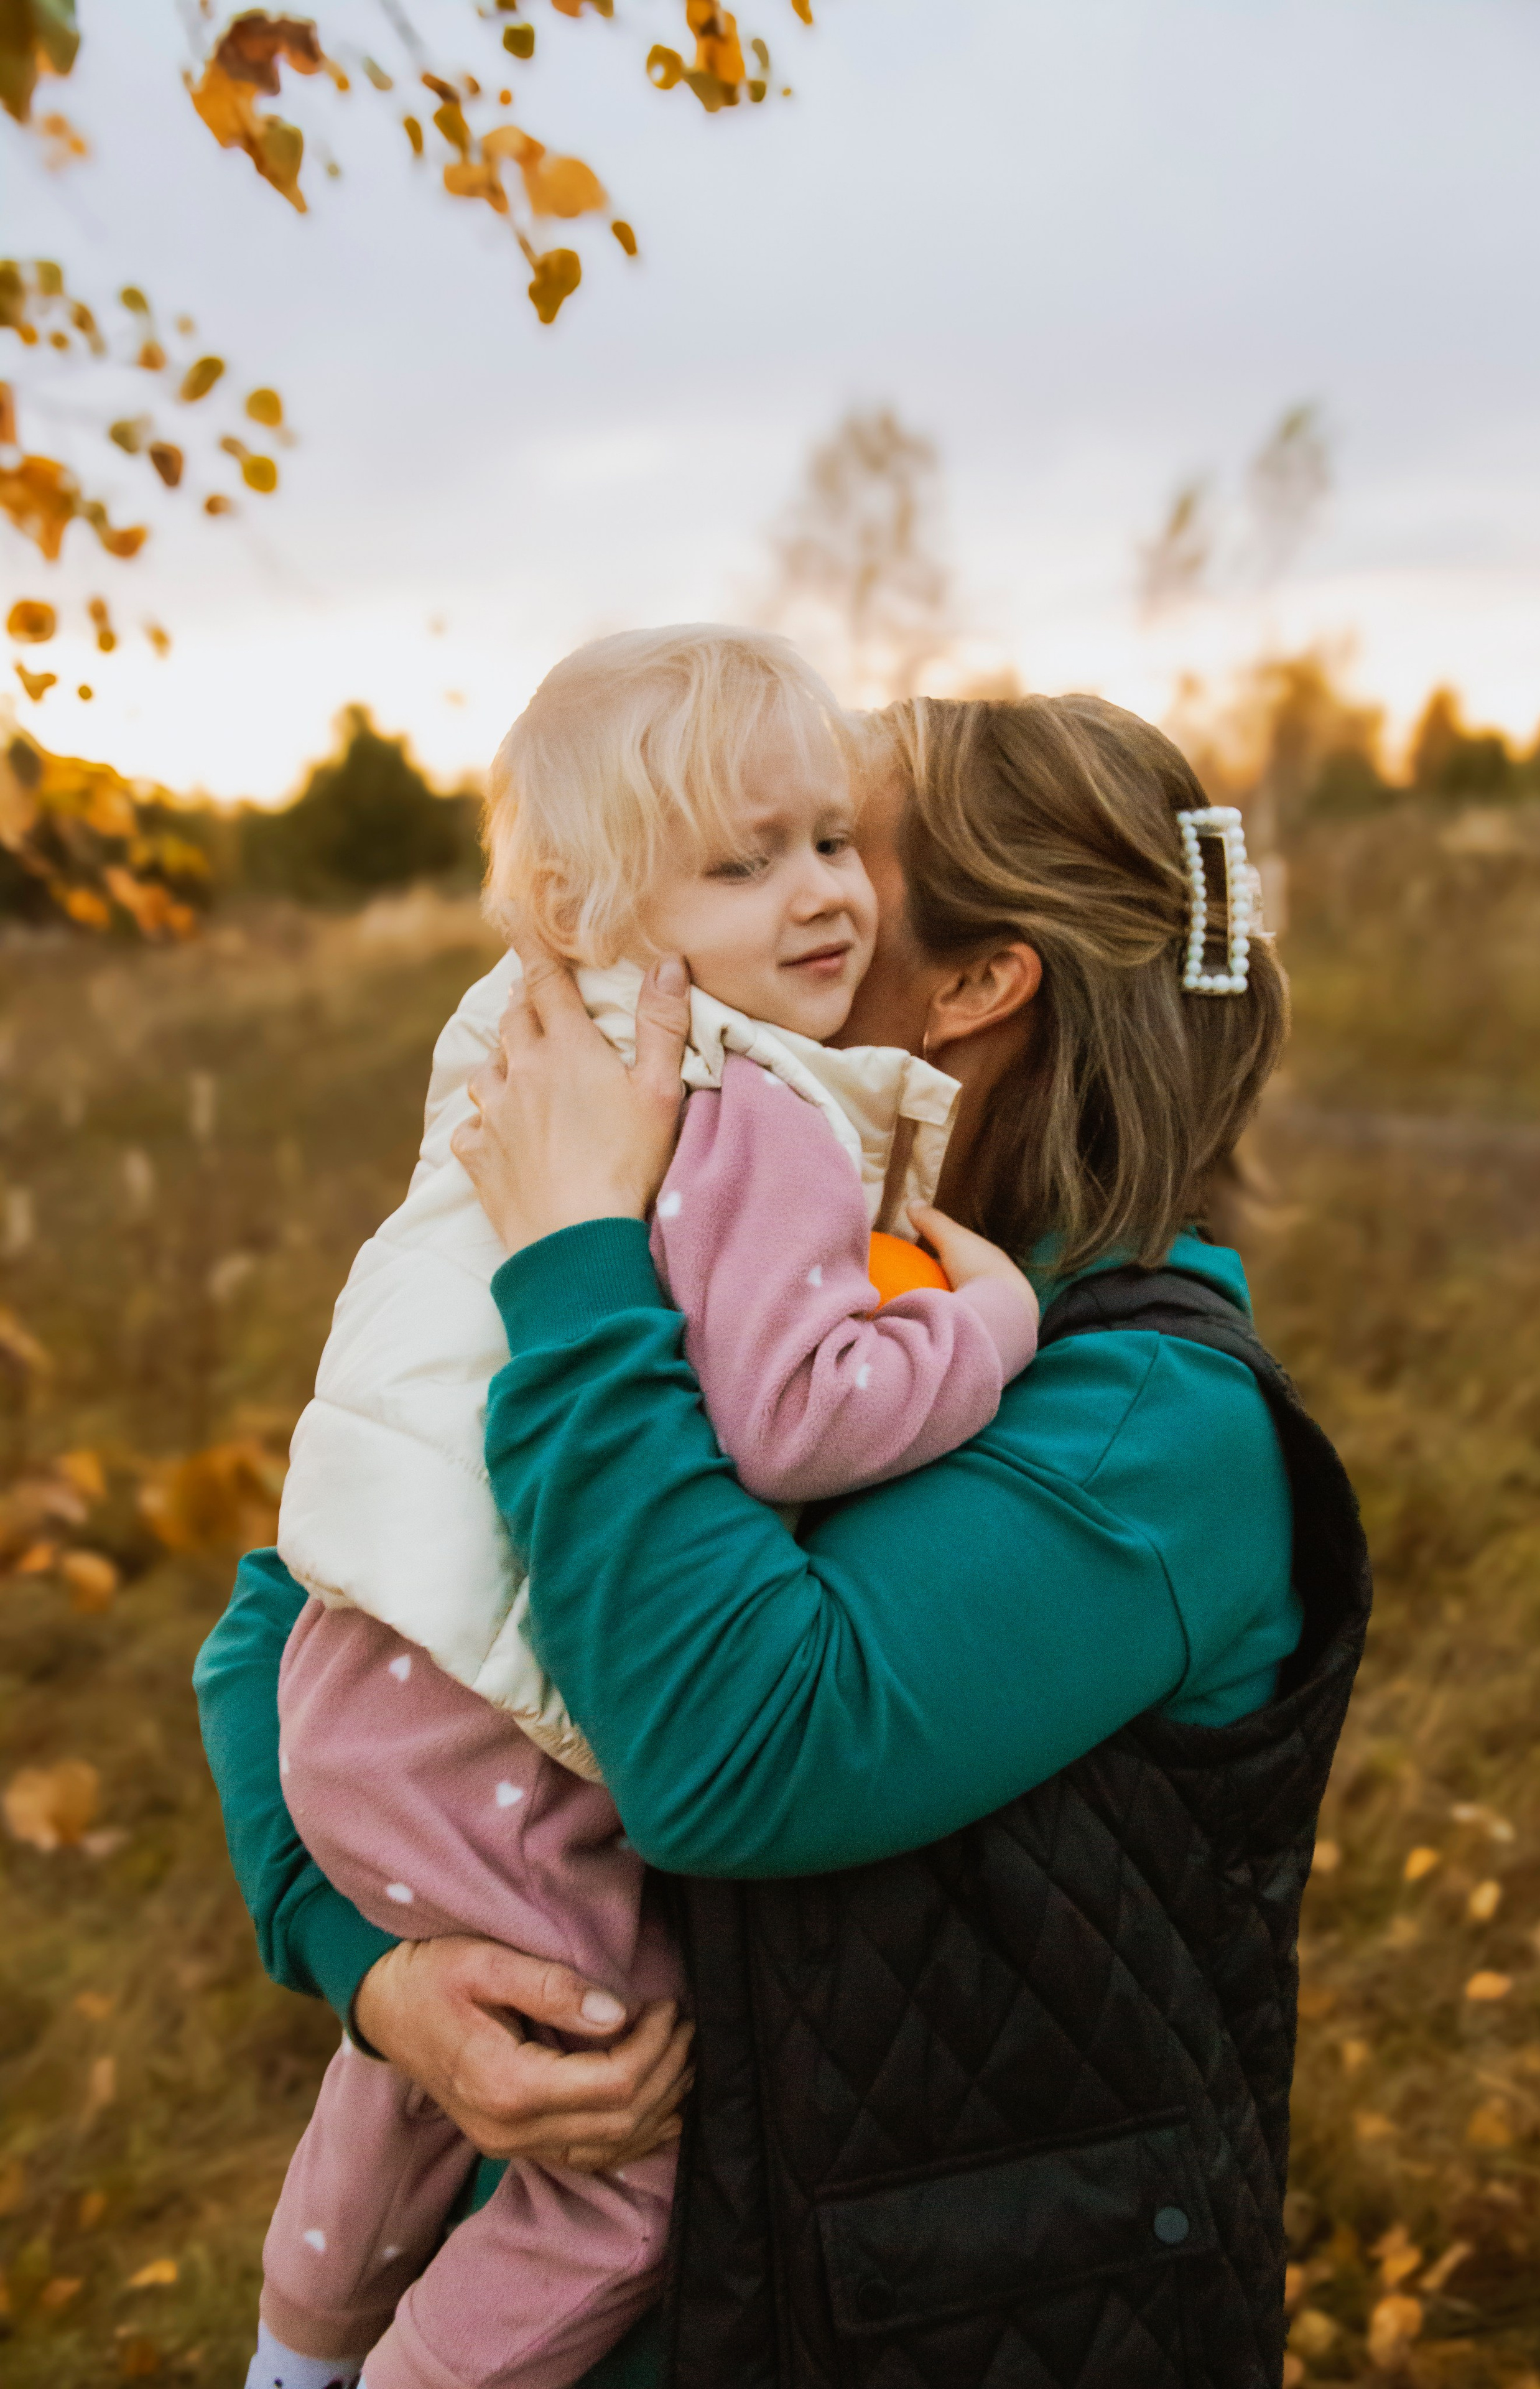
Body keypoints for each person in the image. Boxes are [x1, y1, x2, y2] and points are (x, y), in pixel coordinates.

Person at [198, 691, 1371, 2389]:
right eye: (741, 850)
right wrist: (383, 1978)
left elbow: (732, 1753)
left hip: (959, 2325)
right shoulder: (746, 1246)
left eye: (830, 845)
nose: (769, 882)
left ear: (976, 986)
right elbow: (286, 1620)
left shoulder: (1150, 1435)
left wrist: (579, 1258)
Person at [246, 628, 1042, 2389]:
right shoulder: (753, 1109)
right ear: (596, 911)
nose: (823, 895)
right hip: (488, 1734)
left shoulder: (529, 1052)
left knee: (433, 2046)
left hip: (357, 1676)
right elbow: (788, 1414)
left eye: (830, 839)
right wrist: (984, 1322)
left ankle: (296, 2347)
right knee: (616, 2141)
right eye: (741, 864)